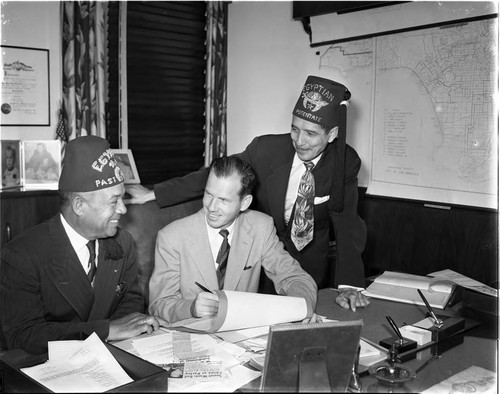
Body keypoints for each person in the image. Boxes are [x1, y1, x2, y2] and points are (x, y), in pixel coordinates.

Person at [127, 75, 369, 312]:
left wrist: (348, 285)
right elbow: (220, 174)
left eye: (311, 133)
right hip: (256, 261)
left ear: (333, 134)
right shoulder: (266, 150)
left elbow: (347, 223)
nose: (300, 141)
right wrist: (155, 193)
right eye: (295, 129)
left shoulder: (344, 163)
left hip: (307, 267)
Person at [0, 136, 167, 355]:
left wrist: (121, 333)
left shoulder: (122, 242)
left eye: (122, 198)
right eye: (113, 201)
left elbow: (131, 299)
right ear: (79, 205)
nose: (123, 209)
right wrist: (106, 331)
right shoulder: (22, 255)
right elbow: (25, 335)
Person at [148, 156, 318, 323]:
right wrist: (190, 308)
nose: (212, 207)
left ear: (244, 203)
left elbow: (295, 278)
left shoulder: (261, 227)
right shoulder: (171, 237)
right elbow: (159, 304)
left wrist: (300, 311)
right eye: (208, 194)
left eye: (223, 200)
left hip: (243, 338)